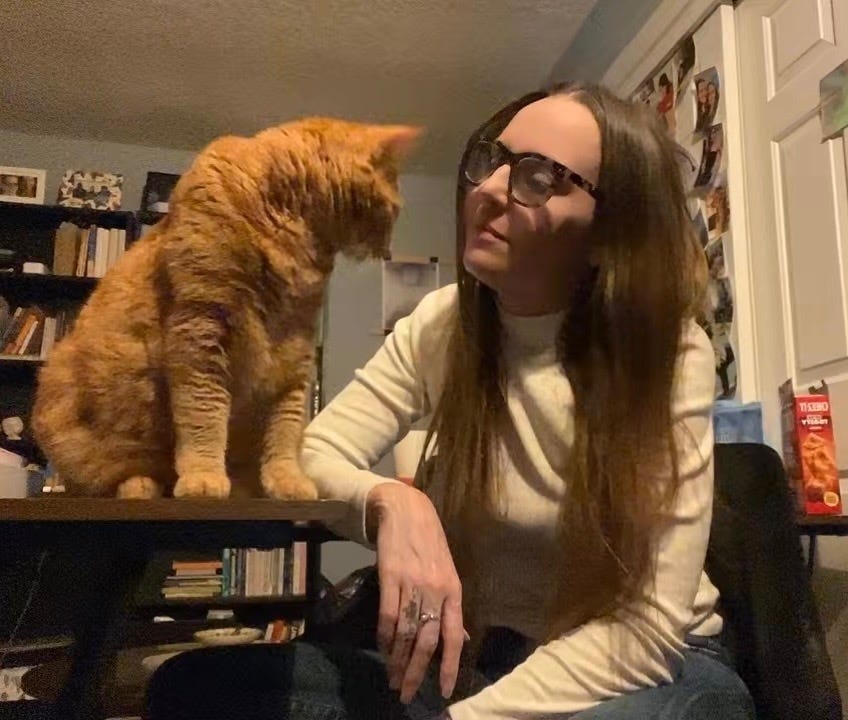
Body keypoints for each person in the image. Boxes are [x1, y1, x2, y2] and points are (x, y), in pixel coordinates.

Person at [146, 81, 756, 720]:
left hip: (649, 668)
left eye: (539, 178)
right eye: (492, 159)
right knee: (193, 687)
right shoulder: (441, 322)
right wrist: (390, 503)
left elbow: (646, 631)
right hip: (481, 654)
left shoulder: (669, 351)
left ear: (608, 233)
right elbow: (312, 456)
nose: (488, 188)